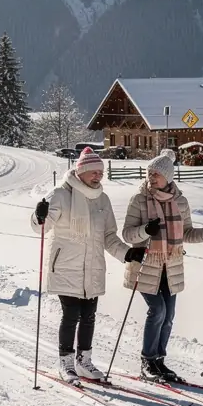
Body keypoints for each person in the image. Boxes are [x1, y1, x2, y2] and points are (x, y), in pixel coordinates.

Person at [32, 147, 144, 381]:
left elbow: (109, 236)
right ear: (80, 171)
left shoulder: (102, 199)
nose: (98, 176)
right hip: (66, 267)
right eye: (94, 172)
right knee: (71, 315)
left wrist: (127, 253)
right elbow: (41, 227)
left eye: (101, 173)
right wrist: (39, 216)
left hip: (92, 267)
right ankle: (66, 363)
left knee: (89, 316)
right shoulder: (61, 194)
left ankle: (84, 362)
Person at [121, 150, 203, 382]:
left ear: (168, 177)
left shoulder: (180, 202)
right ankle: (147, 361)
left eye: (156, 174)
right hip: (146, 266)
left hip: (171, 266)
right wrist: (146, 230)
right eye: (149, 173)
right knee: (158, 310)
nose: (151, 177)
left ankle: (159, 361)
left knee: (168, 316)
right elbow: (127, 234)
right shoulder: (139, 200)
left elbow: (186, 233)